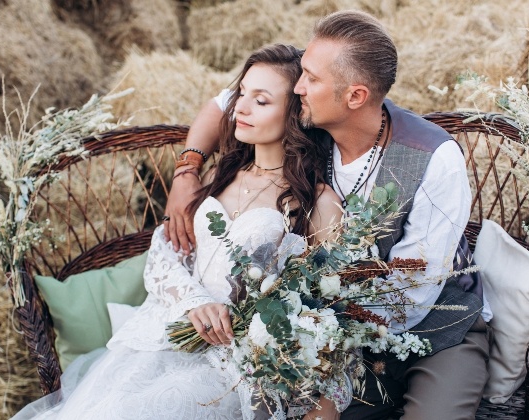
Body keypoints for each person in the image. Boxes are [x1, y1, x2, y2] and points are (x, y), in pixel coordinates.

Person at [164, 10, 493, 420]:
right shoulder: (314, 112)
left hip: (438, 331)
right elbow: (228, 102)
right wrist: (187, 170)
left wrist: (300, 323)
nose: (298, 87)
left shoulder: (432, 158)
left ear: (355, 96)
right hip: (331, 334)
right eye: (302, 73)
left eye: (310, 80)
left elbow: (414, 293)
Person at [13, 44, 345, 420]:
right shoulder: (218, 174)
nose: (240, 108)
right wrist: (193, 301)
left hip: (233, 362)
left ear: (296, 113)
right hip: (167, 331)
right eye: (242, 94)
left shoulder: (317, 203)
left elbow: (326, 309)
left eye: (262, 101)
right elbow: (166, 249)